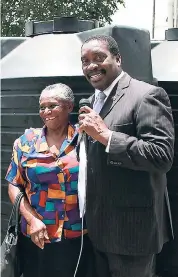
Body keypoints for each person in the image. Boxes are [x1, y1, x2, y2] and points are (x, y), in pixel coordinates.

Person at [78, 35, 175, 277]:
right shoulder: (92, 102)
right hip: (99, 228)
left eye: (99, 58)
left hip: (132, 232)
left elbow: (161, 156)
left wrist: (107, 136)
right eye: (85, 61)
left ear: (118, 59)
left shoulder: (147, 95)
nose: (91, 66)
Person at [5, 83, 96, 277]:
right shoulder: (26, 141)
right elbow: (14, 183)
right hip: (37, 236)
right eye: (42, 107)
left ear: (69, 107)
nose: (46, 111)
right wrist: (32, 220)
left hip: (77, 236)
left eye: (52, 105)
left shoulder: (85, 138)